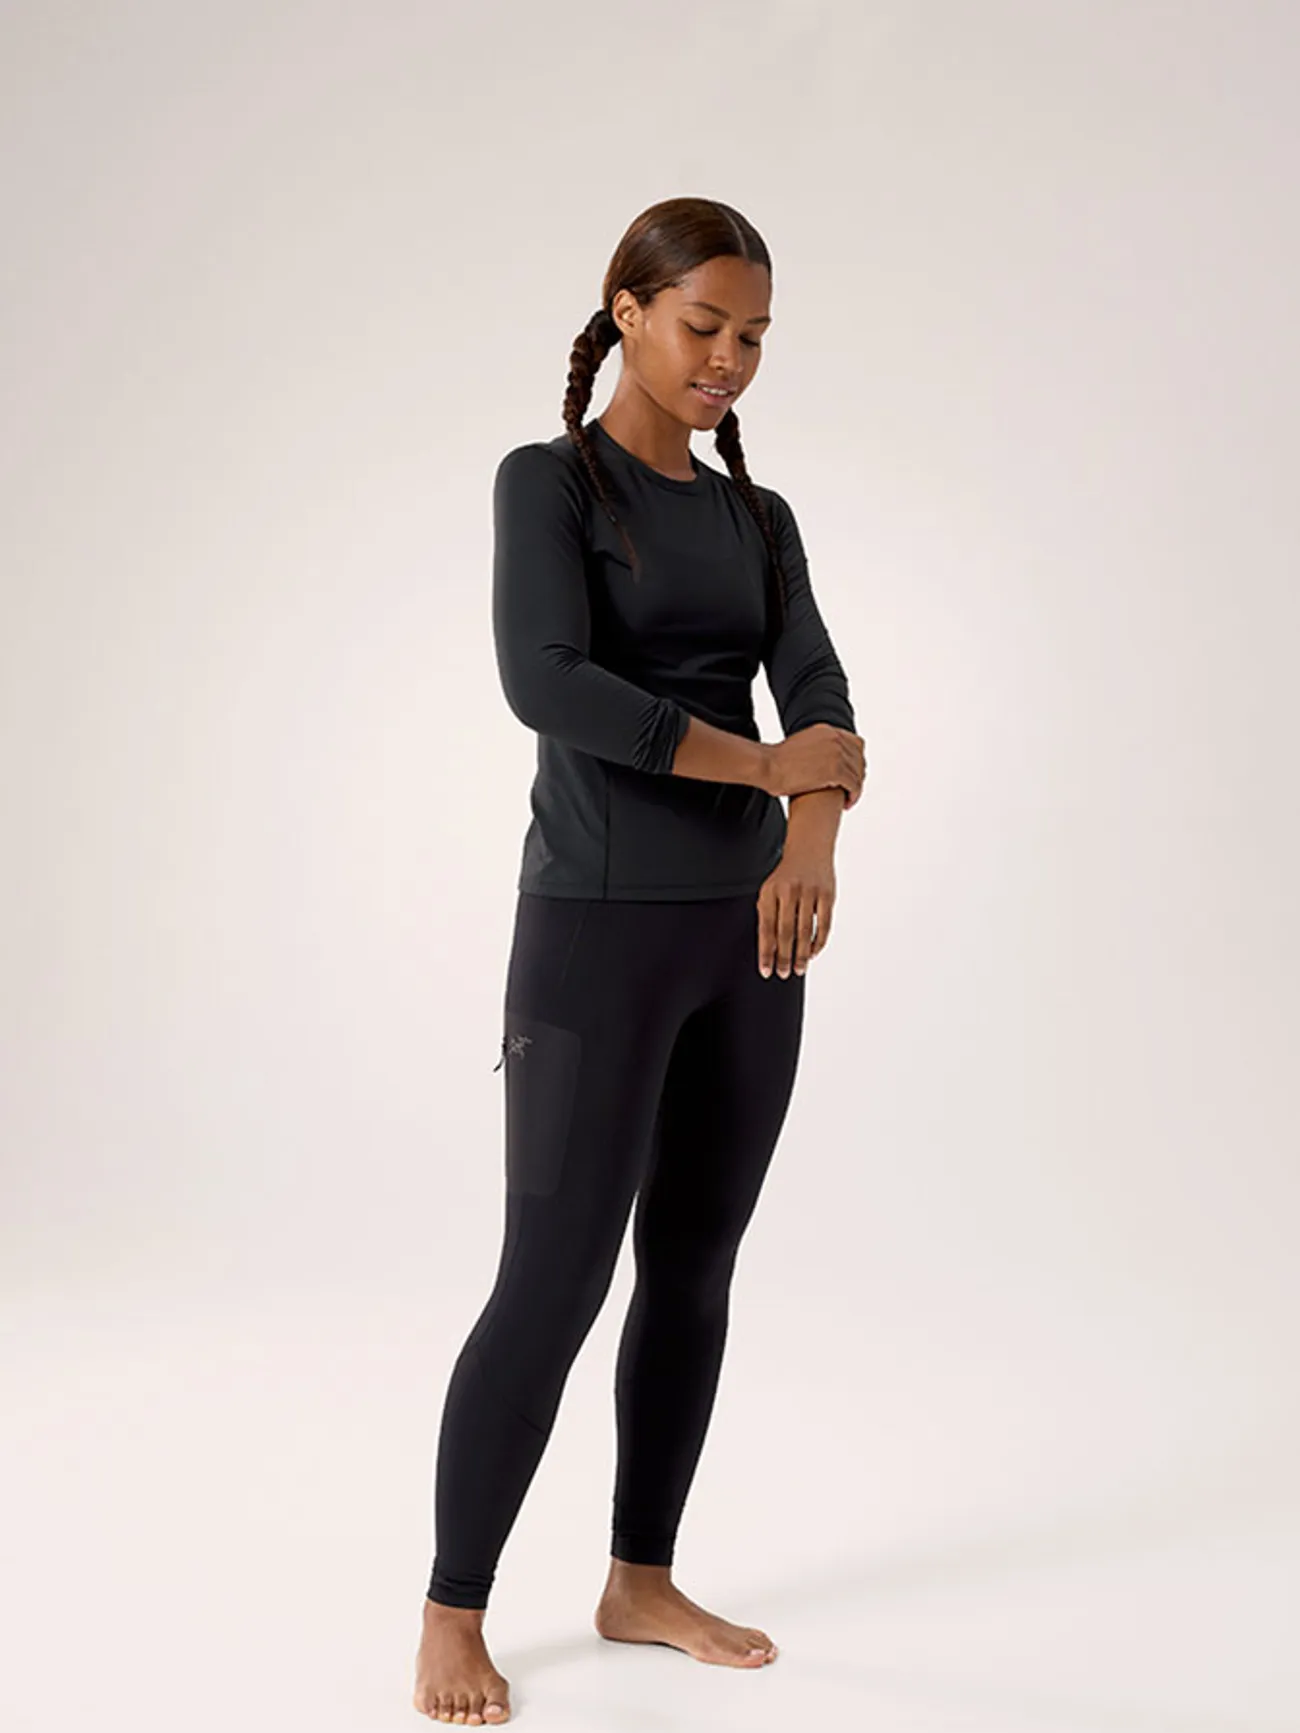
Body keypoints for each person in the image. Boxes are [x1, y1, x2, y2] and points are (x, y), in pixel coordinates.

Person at [412, 196, 866, 1725]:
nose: (728, 358)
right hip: (595, 937)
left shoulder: (759, 518)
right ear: (627, 312)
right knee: (551, 1280)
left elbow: (821, 690)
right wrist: (764, 770)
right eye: (702, 326)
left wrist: (809, 842)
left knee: (694, 1269)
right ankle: (453, 1612)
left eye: (754, 337)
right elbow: (547, 683)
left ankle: (640, 1579)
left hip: (752, 938)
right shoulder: (550, 483)